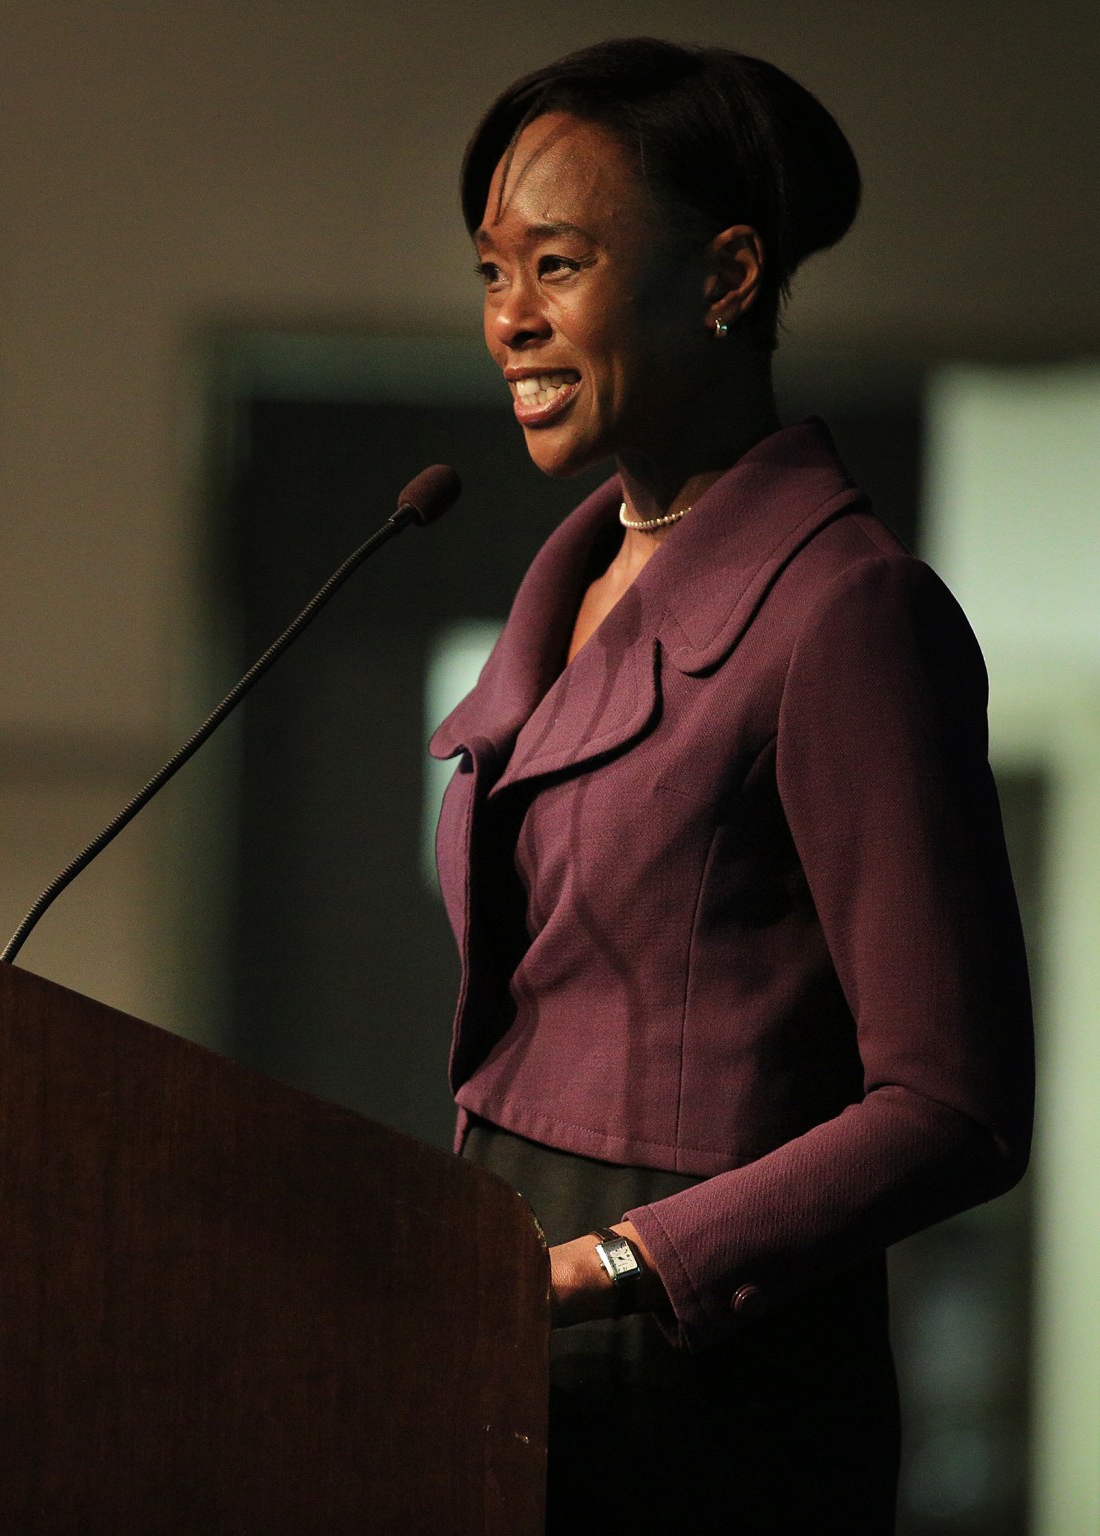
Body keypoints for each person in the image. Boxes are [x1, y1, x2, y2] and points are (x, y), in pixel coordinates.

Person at [429, 38, 1034, 1530]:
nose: (510, 320)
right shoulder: (578, 574)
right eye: (492, 271)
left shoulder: (849, 613)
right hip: (510, 1325)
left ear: (726, 277)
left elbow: (955, 1104)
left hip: (706, 1372)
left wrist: (625, 1264)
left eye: (554, 264)